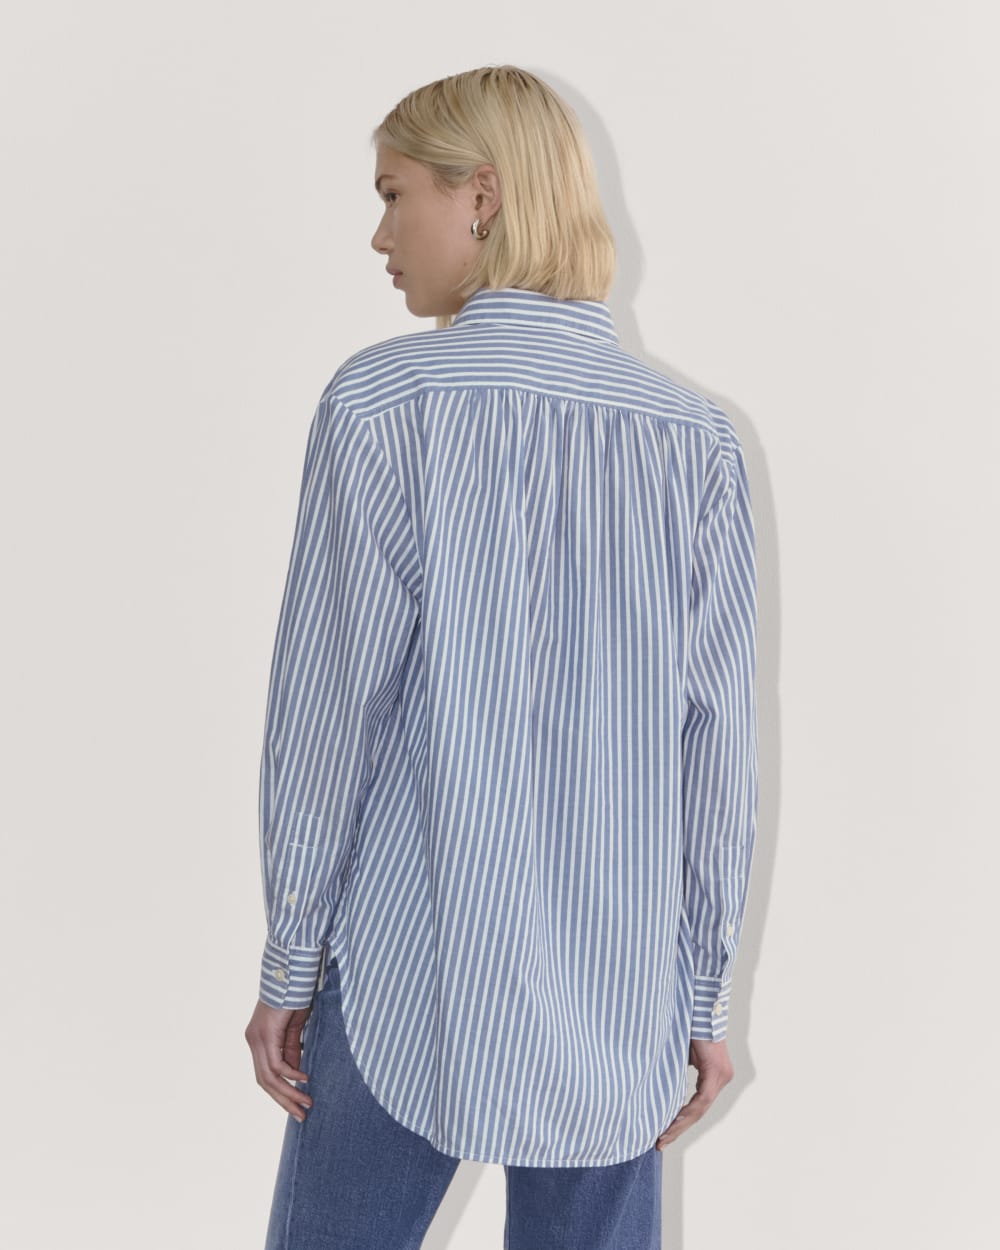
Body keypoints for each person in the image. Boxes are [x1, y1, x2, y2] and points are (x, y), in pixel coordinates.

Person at [244, 64, 759, 1250]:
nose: (379, 235)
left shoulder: (384, 404)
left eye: (394, 194)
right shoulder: (695, 440)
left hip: (406, 965)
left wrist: (290, 962)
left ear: (480, 195)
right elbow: (716, 747)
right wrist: (699, 989)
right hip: (617, 992)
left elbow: (329, 712)